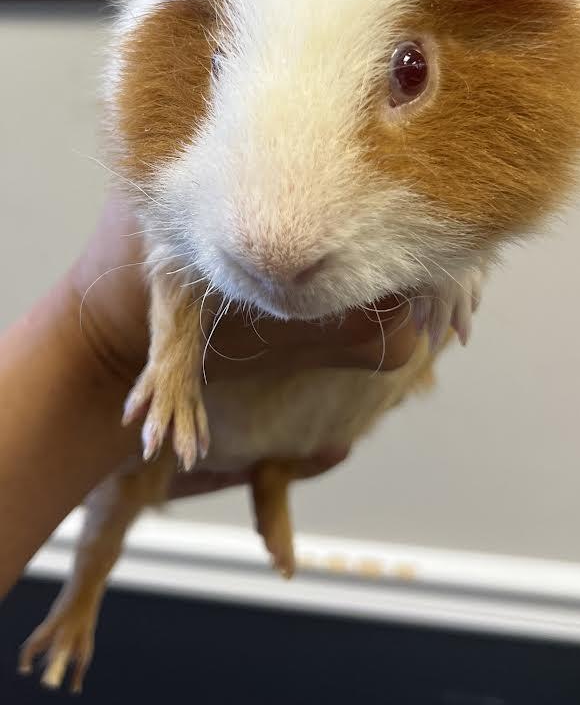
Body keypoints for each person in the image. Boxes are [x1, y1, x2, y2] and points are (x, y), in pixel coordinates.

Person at [0, 194, 421, 599]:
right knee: (128, 488)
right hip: (195, 416)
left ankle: (271, 483)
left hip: (303, 422)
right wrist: (106, 344)